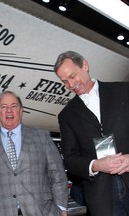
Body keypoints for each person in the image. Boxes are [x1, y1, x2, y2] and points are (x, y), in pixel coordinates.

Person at [0, 91, 68, 216]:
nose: (9, 110)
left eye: (14, 106)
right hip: (2, 211)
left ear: (21, 111)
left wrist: (61, 208)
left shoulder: (41, 136)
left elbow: (57, 175)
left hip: (42, 211)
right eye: (4, 107)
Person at [54, 50, 129, 216]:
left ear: (85, 65)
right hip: (102, 197)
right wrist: (95, 165)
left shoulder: (124, 91)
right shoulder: (66, 115)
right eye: (64, 82)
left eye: (72, 76)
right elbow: (70, 159)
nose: (70, 85)